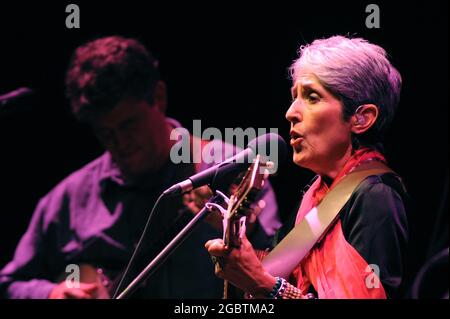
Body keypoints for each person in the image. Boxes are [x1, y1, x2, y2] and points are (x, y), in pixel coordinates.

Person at [0, 36, 281, 299]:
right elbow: (11, 282)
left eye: (129, 125)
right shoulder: (70, 198)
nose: (120, 142)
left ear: (158, 97)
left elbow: (283, 265)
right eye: (105, 133)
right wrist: (51, 293)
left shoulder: (229, 168)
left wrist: (244, 229)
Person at [205, 35, 409, 299]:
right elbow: (275, 267)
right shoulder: (316, 198)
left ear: (361, 118)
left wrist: (268, 287)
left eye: (312, 97)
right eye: (294, 97)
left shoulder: (377, 197)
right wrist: (243, 246)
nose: (291, 112)